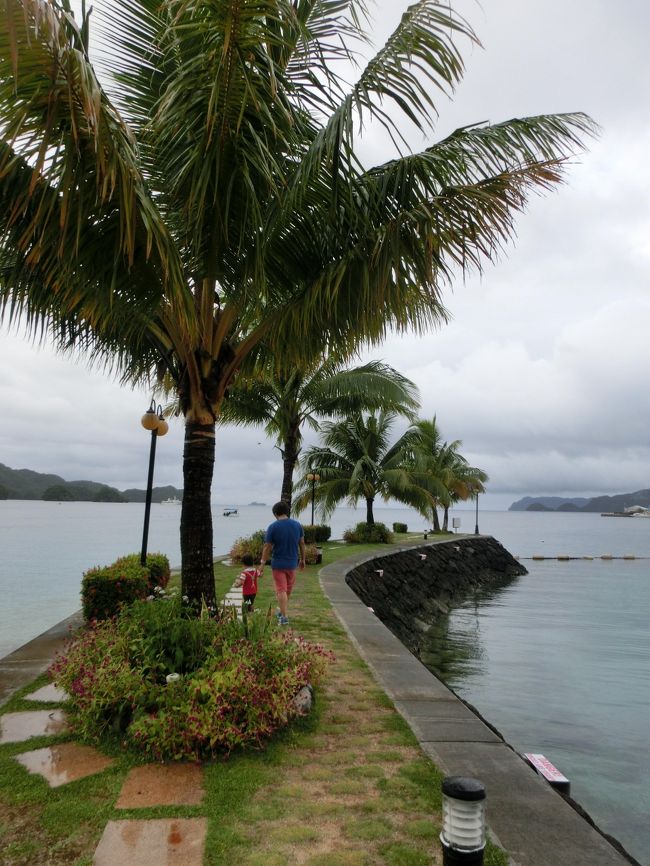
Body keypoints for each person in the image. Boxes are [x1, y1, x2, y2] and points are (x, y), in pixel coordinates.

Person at [259, 501, 305, 626]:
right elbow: (301, 543)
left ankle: (284, 617)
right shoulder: (297, 525)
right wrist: (303, 559)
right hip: (292, 564)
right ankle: (282, 612)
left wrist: (262, 563)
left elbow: (267, 546)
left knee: (281, 590)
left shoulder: (273, 527)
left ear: (275, 513)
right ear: (287, 511)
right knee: (287, 590)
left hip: (278, 564)